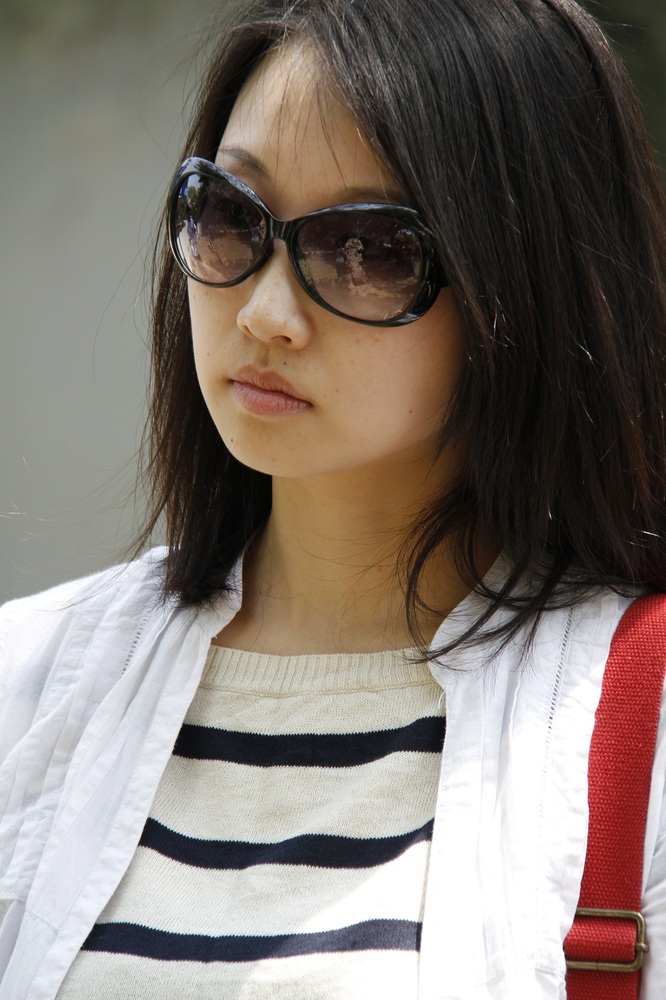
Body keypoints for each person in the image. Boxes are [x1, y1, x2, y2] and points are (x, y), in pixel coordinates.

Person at [1, 0, 665, 996]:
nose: (266, 313)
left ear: (523, 286)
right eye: (230, 215)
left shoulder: (636, 738)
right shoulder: (28, 686)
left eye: (371, 250)